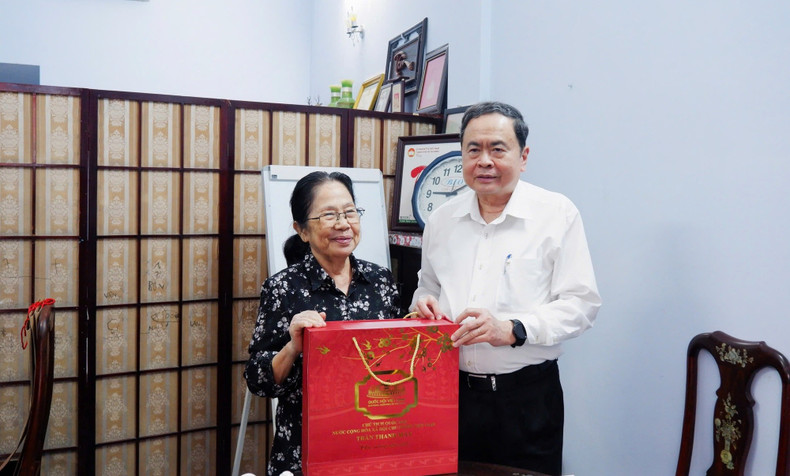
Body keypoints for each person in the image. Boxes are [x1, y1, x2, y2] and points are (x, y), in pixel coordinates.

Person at [411, 101, 601, 475]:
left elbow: (581, 304)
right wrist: (425, 305)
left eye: (497, 149)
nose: (484, 161)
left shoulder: (556, 214)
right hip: (450, 396)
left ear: (523, 156)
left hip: (526, 399)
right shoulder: (441, 220)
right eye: (473, 150)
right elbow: (426, 287)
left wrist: (512, 329)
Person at [245, 171, 401, 476]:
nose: (343, 224)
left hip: (374, 441)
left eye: (350, 212)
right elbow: (257, 379)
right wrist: (292, 348)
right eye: (329, 215)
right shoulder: (284, 288)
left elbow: (397, 360)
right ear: (302, 230)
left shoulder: (380, 280)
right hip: (307, 448)